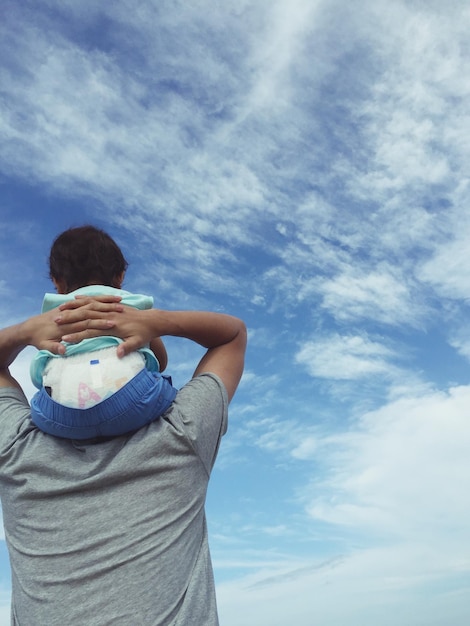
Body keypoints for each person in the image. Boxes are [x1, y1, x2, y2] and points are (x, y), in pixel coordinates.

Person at [0, 292, 246, 624]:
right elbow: (232, 336)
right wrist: (156, 323)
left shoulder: (16, 449)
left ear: (56, 281)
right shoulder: (181, 432)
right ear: (120, 278)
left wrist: (25, 331)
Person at [29, 225, 177, 439]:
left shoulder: (55, 313)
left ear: (57, 281)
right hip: (133, 401)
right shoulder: (131, 306)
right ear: (120, 276)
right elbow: (161, 361)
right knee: (163, 388)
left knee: (41, 401)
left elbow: (39, 369)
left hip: (61, 414)